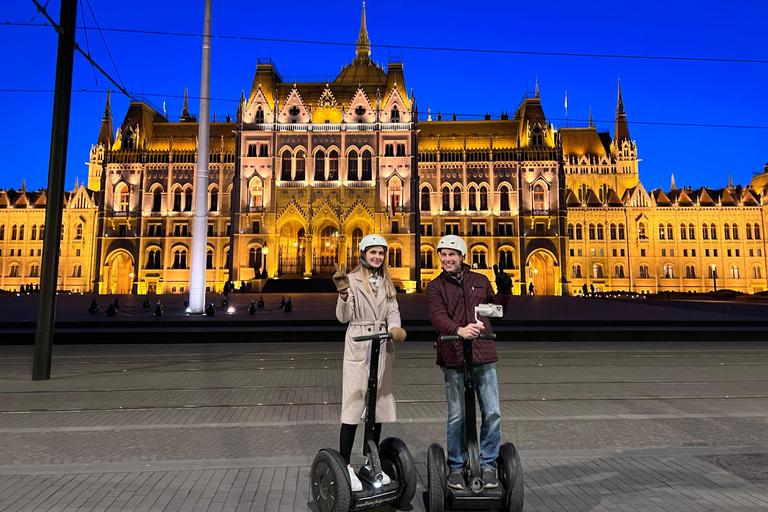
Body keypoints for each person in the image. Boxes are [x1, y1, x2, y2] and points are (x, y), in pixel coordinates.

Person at [426, 235, 512, 491]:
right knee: (457, 416)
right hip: (453, 354)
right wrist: (458, 329)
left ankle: (488, 464)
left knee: (492, 412)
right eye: (443, 255)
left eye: (452, 254)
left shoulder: (480, 281)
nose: (447, 259)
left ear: (463, 257)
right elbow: (437, 316)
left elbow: (497, 312)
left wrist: (505, 292)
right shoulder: (435, 286)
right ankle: (455, 465)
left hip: (483, 354)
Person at [333, 234, 407, 492]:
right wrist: (343, 296)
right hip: (359, 342)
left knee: (377, 403)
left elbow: (393, 310)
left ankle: (369, 461)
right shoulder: (351, 280)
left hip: (381, 343)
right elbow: (344, 317)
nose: (377, 257)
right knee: (354, 404)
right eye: (372, 252)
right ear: (363, 254)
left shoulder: (386, 281)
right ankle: (345, 465)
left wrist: (395, 327)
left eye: (380, 253)